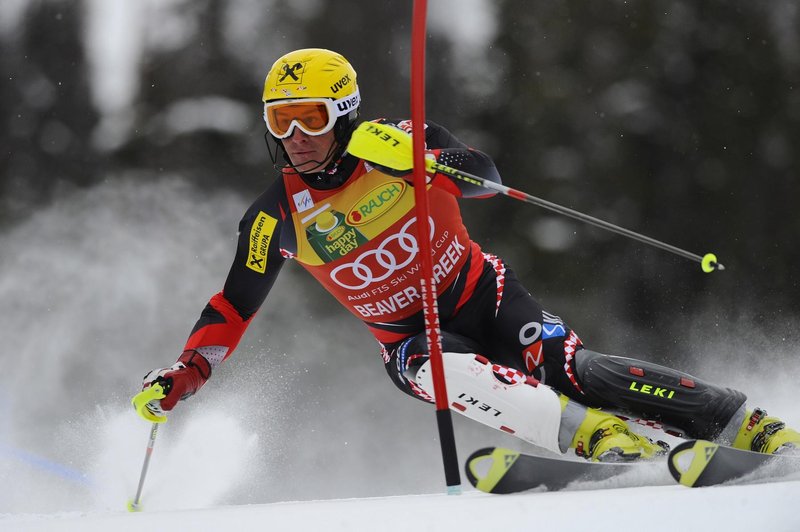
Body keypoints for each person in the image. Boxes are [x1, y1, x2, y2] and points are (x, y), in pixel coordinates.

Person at [139, 48, 799, 461]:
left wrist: (428, 161)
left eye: (310, 118)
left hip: (485, 295)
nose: (295, 137)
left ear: (342, 114)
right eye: (280, 121)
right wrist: (187, 372)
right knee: (440, 371)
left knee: (570, 368)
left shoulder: (396, 141)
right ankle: (597, 438)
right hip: (412, 339)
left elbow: (485, 176)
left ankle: (743, 422)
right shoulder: (273, 215)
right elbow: (233, 304)